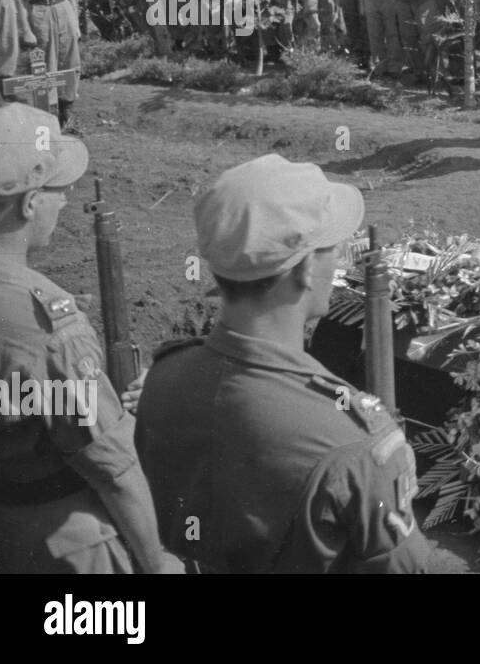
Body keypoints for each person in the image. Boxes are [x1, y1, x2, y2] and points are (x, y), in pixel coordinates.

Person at [133, 153, 434, 572]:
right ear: (307, 267)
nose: (339, 261)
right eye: (333, 249)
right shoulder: (352, 439)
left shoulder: (165, 377)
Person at [0, 104, 181, 574]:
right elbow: (114, 470)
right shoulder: (48, 325)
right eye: (59, 189)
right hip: (61, 542)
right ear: (29, 203)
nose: (67, 198)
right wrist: (159, 563)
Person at [10, 0, 82, 128]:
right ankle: (47, 116)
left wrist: (75, 22)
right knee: (44, 64)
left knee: (71, 61)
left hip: (63, 9)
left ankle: (67, 112)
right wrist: (26, 30)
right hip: (39, 12)